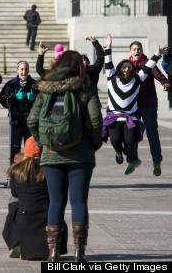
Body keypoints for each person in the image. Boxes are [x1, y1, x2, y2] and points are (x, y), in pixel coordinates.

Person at [26, 50, 103, 262]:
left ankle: (53, 253)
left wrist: (44, 143)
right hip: (81, 155)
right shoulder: (85, 89)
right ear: (79, 66)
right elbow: (96, 121)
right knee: (79, 202)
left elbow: (32, 120)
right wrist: (93, 144)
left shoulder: (46, 89)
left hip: (52, 154)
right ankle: (79, 253)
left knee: (56, 202)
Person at [101, 34, 164, 174]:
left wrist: (157, 55)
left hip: (140, 110)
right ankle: (125, 156)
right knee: (117, 140)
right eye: (124, 67)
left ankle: (154, 161)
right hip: (121, 114)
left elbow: (149, 68)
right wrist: (108, 46)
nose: (127, 69)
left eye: (129, 67)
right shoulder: (113, 77)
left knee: (137, 137)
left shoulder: (138, 77)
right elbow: (108, 63)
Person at [2, 137, 68, 261]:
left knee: (14, 202)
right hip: (48, 219)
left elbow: (15, 193)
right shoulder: (52, 171)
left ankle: (18, 244)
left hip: (25, 219)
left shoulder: (17, 171)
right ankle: (54, 248)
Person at [126, 40, 170, 176]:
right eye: (134, 49)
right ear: (130, 51)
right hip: (133, 106)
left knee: (152, 134)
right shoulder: (126, 65)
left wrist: (165, 82)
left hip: (149, 105)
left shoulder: (148, 63)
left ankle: (156, 161)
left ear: (142, 50)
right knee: (131, 134)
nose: (137, 51)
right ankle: (132, 160)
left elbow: (159, 74)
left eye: (139, 49)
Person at [0, 61, 38, 170]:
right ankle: (13, 177)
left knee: (30, 151)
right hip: (16, 122)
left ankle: (29, 176)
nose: (23, 71)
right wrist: (14, 97)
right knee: (14, 150)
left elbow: (43, 101)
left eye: (26, 69)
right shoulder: (11, 84)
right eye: (21, 69)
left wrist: (35, 98)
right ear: (17, 70)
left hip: (30, 123)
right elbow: (3, 100)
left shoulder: (35, 84)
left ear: (28, 70)